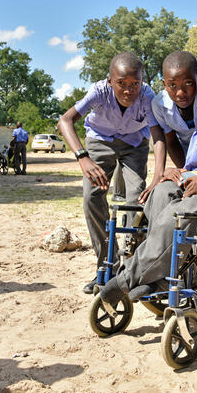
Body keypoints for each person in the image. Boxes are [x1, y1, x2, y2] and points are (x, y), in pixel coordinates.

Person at [99, 66, 197, 306]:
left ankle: (125, 278)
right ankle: (162, 273)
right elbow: (193, 166)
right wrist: (176, 173)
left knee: (178, 213)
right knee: (161, 192)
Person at [57, 52, 166, 294]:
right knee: (91, 197)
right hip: (99, 141)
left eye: (135, 84)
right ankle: (106, 266)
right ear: (110, 81)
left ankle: (131, 267)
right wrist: (82, 157)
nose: (129, 91)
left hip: (134, 144)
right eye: (122, 84)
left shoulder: (148, 97)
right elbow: (65, 121)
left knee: (137, 197)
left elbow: (158, 135)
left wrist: (158, 174)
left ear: (141, 81)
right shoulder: (98, 92)